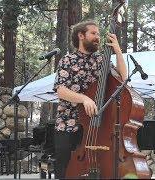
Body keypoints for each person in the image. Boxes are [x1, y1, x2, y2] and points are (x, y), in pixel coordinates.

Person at [52, 20, 127, 179]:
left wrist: (118, 50)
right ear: (81, 35)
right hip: (68, 123)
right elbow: (61, 90)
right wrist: (84, 98)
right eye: (93, 33)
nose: (98, 37)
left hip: (95, 124)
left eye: (98, 34)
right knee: (65, 169)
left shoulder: (102, 60)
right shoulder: (68, 60)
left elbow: (123, 77)